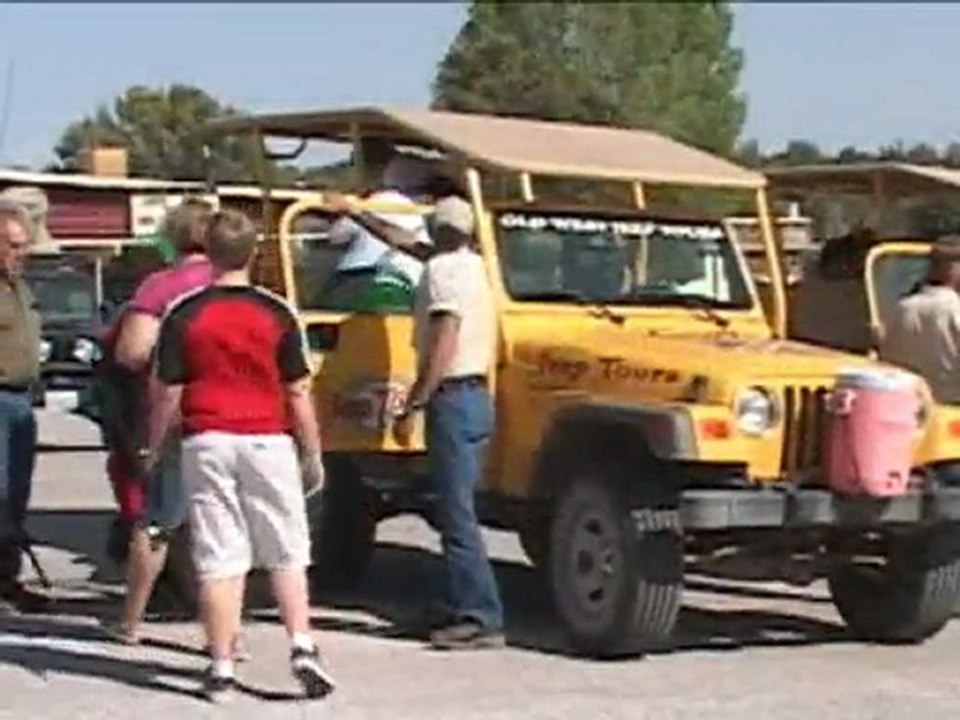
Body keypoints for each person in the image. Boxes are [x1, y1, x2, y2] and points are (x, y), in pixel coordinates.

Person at [147, 209, 333, 701]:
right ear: (255, 252)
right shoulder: (276, 311)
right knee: (287, 548)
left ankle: (222, 665)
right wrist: (312, 450)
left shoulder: (185, 312)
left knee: (218, 556)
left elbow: (167, 390)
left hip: (207, 437)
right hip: (267, 439)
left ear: (207, 252)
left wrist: (156, 444)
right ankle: (301, 645)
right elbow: (297, 389)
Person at [103, 198, 227, 645]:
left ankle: (131, 621)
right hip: (235, 416)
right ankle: (229, 635)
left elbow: (131, 352)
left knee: (155, 521)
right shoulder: (234, 282)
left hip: (176, 415)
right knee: (220, 527)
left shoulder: (161, 287)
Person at [392, 197, 504, 650]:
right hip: (478, 395)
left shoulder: (440, 273)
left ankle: (481, 615)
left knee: (455, 514)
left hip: (452, 396)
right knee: (459, 509)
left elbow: (444, 337)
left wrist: (415, 400)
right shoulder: (477, 266)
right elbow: (407, 244)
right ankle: (456, 600)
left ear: (437, 232)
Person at [0, 199, 46, 614]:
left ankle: (7, 580)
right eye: (13, 245)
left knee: (15, 493)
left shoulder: (20, 286)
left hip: (20, 399)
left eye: (24, 246)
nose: (21, 254)